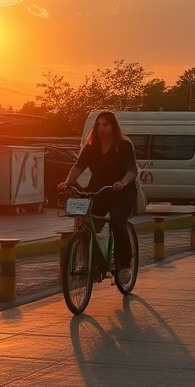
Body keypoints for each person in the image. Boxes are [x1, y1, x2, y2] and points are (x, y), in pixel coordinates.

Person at [57, 111, 138, 283]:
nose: (101, 128)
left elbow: (132, 170)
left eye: (105, 124)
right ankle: (91, 264)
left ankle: (125, 265)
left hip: (122, 192)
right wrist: (67, 182)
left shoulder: (123, 145)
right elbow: (78, 167)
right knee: (85, 222)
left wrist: (122, 183)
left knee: (117, 222)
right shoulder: (91, 146)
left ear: (113, 126)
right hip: (99, 191)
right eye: (98, 125)